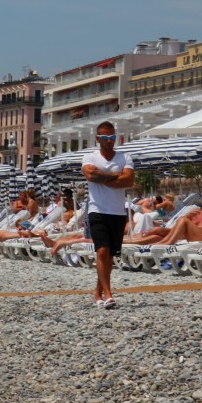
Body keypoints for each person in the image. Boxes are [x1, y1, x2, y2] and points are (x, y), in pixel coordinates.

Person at [82, 121, 134, 309]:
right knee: (102, 251)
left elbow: (128, 180)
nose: (109, 141)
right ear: (98, 139)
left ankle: (97, 293)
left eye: (112, 137)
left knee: (109, 256)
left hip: (117, 212)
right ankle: (109, 294)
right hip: (97, 210)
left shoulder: (124, 157)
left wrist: (103, 176)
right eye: (105, 138)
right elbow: (90, 176)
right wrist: (114, 176)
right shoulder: (90, 157)